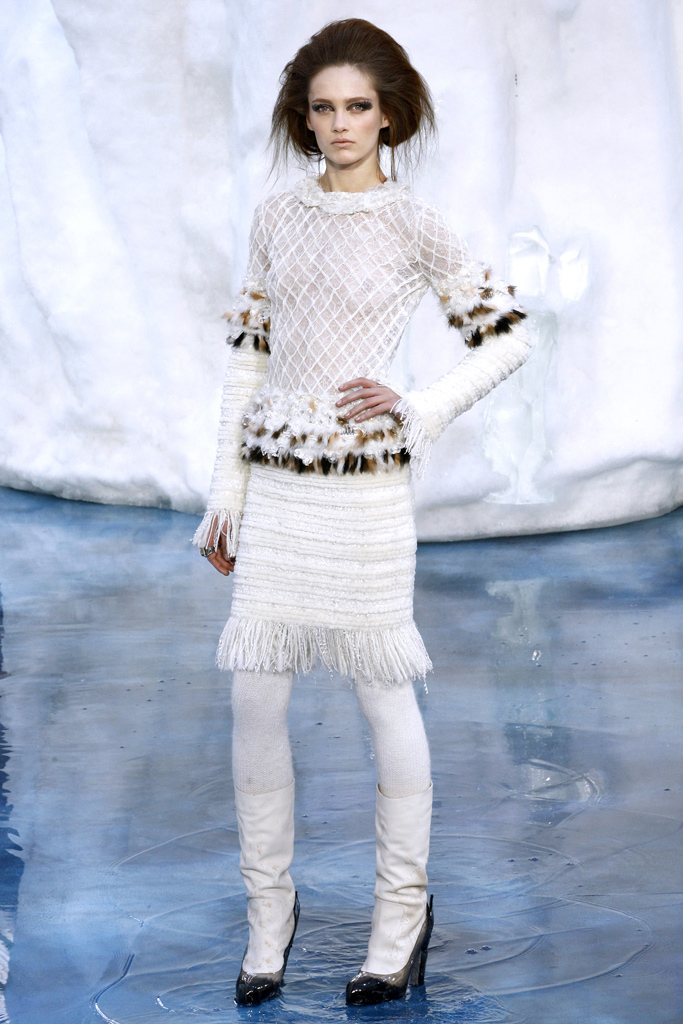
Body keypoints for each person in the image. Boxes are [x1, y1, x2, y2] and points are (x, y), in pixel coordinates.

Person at [193, 17, 531, 1008]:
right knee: (255, 697)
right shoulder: (274, 217)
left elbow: (507, 338)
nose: (339, 123)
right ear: (302, 119)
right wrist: (225, 494)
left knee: (384, 692)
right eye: (322, 108)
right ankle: (268, 919)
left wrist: (416, 406)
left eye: (357, 106)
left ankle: (399, 919)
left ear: (388, 116)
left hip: (367, 493)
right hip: (278, 487)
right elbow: (249, 361)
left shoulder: (414, 222)